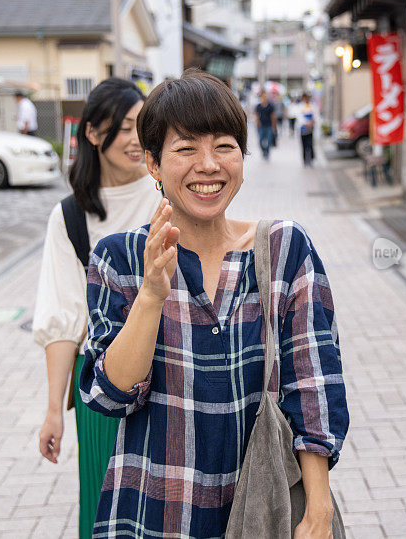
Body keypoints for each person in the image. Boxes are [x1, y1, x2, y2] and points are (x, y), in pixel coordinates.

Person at [79, 69, 349, 538]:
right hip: (153, 511)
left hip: (265, 510)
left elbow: (314, 385)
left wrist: (319, 509)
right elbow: (110, 394)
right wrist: (150, 296)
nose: (208, 165)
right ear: (153, 165)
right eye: (185, 149)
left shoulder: (284, 250)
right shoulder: (118, 257)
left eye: (224, 146)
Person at [33, 78, 161, 539]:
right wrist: (52, 410)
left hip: (173, 368)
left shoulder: (169, 192)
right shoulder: (69, 217)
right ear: (92, 133)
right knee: (104, 507)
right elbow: (65, 317)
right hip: (104, 386)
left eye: (142, 126)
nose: (136, 139)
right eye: (125, 127)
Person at [253, 90, 276, 160]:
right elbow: (256, 115)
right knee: (260, 140)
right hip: (260, 126)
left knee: (269, 140)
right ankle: (263, 151)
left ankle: (267, 152)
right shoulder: (258, 106)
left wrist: (274, 126)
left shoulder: (270, 106)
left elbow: (273, 116)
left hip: (268, 125)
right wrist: (257, 122)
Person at [297, 92, 316, 166]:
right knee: (304, 144)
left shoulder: (312, 106)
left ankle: (311, 159)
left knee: (310, 144)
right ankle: (305, 160)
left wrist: (312, 123)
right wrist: (306, 123)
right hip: (303, 128)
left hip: (311, 128)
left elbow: (315, 116)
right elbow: (299, 117)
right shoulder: (300, 107)